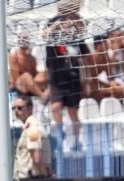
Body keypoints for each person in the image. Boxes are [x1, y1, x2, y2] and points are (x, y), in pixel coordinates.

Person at [43, 0, 87, 150]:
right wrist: (60, 24)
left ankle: (76, 141)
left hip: (72, 76)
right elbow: (45, 36)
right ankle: (60, 139)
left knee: (73, 111)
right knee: (55, 107)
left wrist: (73, 24)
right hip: (56, 74)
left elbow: (83, 38)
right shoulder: (53, 22)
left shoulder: (78, 21)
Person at [12, 95, 52, 179]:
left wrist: (46, 176)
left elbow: (36, 157)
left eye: (20, 108)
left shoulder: (32, 128)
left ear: (30, 108)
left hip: (30, 180)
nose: (16, 111)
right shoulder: (29, 126)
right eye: (14, 108)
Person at [9, 32, 47, 99]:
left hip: (31, 84)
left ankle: (46, 92)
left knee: (45, 73)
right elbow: (15, 78)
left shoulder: (32, 58)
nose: (23, 40)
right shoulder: (14, 56)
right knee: (26, 76)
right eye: (21, 39)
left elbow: (35, 74)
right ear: (18, 41)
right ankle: (42, 96)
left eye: (25, 38)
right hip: (19, 85)